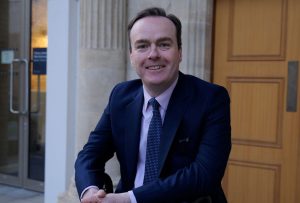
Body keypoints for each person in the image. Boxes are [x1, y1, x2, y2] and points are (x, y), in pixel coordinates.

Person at [75, 7, 231, 203]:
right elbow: (90, 155)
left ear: (179, 52)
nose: (153, 54)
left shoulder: (210, 99)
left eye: (164, 44)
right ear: (131, 55)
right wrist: (90, 191)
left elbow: (204, 174)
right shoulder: (121, 96)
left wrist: (130, 199)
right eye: (142, 46)